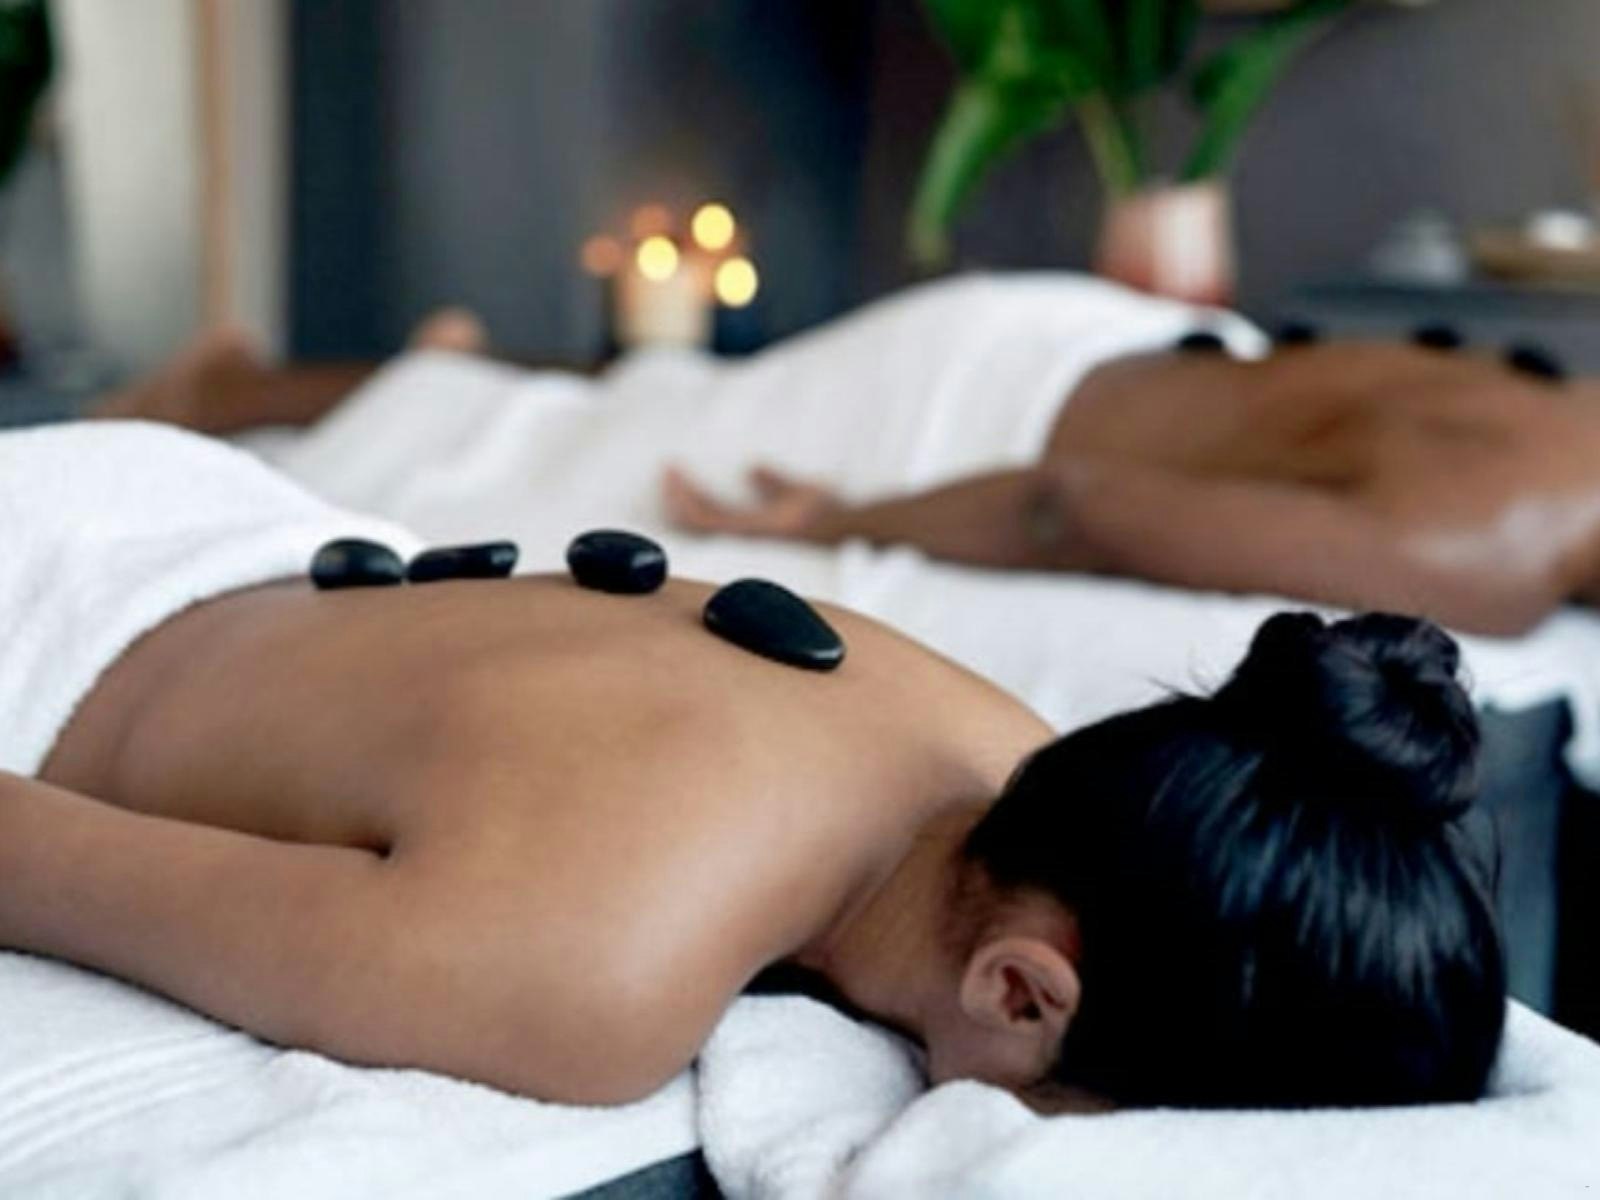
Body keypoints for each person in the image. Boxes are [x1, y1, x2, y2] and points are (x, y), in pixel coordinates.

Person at [0, 421, 1504, 1110]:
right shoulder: (590, 976)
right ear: (1021, 993)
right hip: (44, 593)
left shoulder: (1047, 772)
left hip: (208, 499)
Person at [94, 277, 1600, 639]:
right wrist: (845, 517)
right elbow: (1067, 506)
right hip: (979, 421)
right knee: (597, 459)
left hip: (1084, 336)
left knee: (649, 400)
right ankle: (249, 393)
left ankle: (295, 379)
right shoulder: (1495, 556)